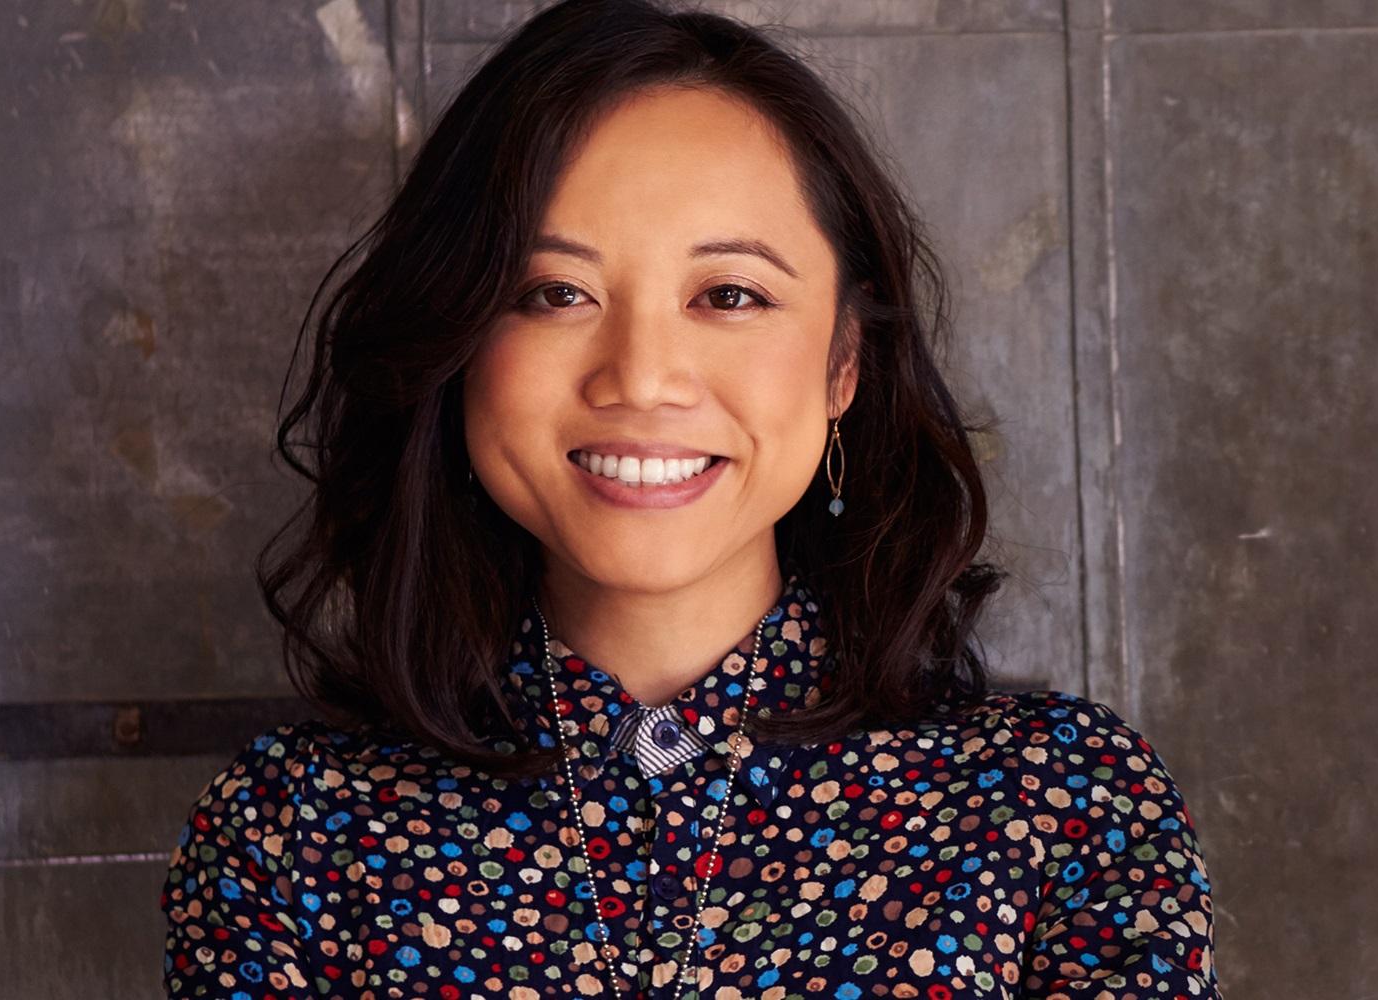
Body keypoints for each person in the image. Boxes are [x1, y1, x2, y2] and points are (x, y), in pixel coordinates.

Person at [158, 2, 1217, 996]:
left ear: (844, 359)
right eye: (555, 293)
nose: (641, 375)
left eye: (731, 295)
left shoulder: (1061, 806)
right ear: (460, 344)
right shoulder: (289, 835)